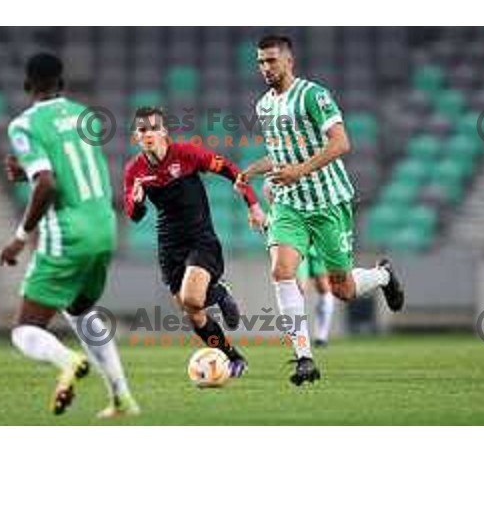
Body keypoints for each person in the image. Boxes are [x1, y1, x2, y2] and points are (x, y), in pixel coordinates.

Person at [237, 35, 405, 385]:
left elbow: (341, 142)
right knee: (282, 271)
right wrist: (253, 170)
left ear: (288, 61)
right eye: (260, 62)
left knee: (342, 289)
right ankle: (304, 359)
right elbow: (282, 154)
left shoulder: (314, 95)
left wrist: (300, 170)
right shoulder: (263, 106)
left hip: (329, 202)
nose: (265, 68)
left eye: (271, 61)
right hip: (289, 204)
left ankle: (383, 275)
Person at [0, 52, 139, 418]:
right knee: (80, 309)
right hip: (104, 227)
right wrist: (27, 172)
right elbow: (63, 168)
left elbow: (46, 183)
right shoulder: (83, 115)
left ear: (28, 85)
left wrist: (19, 236)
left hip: (68, 233)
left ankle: (69, 361)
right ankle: (121, 398)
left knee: (24, 329)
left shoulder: (24, 124)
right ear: (62, 83)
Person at [124, 107, 265, 376]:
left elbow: (228, 168)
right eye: (143, 130)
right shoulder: (135, 170)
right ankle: (233, 357)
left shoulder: (186, 154)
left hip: (200, 238)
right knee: (193, 312)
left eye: (154, 128)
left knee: (192, 297)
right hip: (169, 246)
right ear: (136, 136)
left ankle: (219, 293)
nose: (149, 134)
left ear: (164, 132)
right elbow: (133, 214)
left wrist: (253, 204)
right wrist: (138, 203)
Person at [263, 181, 335, 346]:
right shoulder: (275, 175)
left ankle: (321, 336)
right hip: (295, 239)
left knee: (324, 287)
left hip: (315, 240)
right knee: (299, 287)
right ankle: (300, 337)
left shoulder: (307, 175)